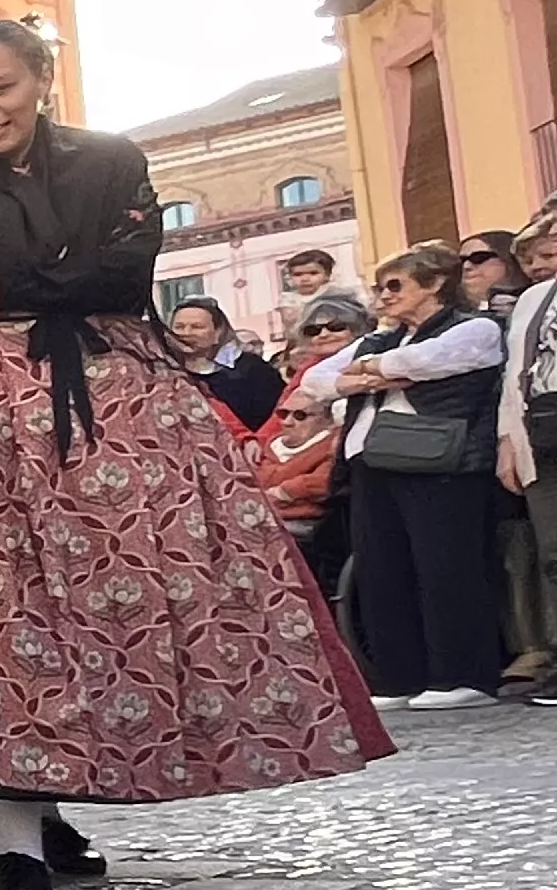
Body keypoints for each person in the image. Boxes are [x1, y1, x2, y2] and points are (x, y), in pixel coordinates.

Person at [0, 22, 379, 890]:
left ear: (41, 80)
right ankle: (17, 840)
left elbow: (124, 271)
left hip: (120, 430)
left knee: (111, 620)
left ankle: (51, 806)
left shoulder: (107, 163)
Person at [299, 243, 509, 705]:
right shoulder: (379, 337)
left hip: (440, 462)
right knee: (382, 571)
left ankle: (463, 676)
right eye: (379, 287)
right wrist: (377, 373)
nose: (384, 296)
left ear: (435, 284)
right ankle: (400, 677)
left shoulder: (475, 327)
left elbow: (427, 361)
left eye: (395, 286)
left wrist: (372, 372)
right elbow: (314, 383)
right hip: (373, 461)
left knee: (446, 568)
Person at [260, 297, 370, 612]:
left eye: (336, 326)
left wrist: (284, 488)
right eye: (313, 329)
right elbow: (280, 421)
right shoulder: (306, 374)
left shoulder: (371, 360)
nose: (324, 334)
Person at [505, 213, 557, 697]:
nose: (542, 263)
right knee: (553, 549)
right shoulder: (533, 300)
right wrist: (509, 441)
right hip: (544, 425)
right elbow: (517, 371)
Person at [167, 296, 285, 430]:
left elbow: (275, 416)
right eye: (179, 327)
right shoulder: (162, 371)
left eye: (197, 327)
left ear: (218, 332)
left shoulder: (253, 369)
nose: (186, 333)